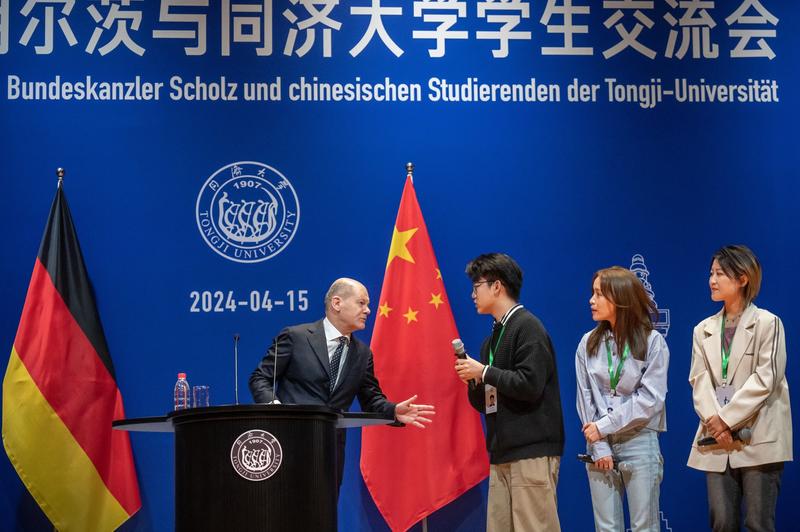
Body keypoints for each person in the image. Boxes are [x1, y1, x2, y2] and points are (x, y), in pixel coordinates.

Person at [249, 278, 434, 489]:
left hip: (330, 450)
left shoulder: (363, 354)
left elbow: (372, 400)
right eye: (361, 303)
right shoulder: (296, 337)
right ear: (337, 303)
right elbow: (260, 378)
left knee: (324, 514)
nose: (368, 310)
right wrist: (277, 412)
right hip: (288, 440)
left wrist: (394, 411)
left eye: (368, 304)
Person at [454, 253, 564, 532]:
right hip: (501, 452)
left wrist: (485, 372)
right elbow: (487, 402)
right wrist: (474, 380)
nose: (472, 295)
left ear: (497, 286)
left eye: (476, 287)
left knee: (534, 527)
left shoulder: (528, 326)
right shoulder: (490, 341)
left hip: (531, 451)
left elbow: (530, 385)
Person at [688, 245, 792, 532]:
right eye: (711, 273)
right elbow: (699, 381)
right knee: (721, 523)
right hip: (717, 440)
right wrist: (715, 422)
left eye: (720, 273)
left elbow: (766, 379)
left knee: (758, 523)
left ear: (743, 278)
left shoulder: (768, 323)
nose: (712, 280)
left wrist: (726, 418)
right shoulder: (703, 329)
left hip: (759, 436)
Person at [575, 266, 669, 532]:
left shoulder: (653, 342)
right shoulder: (587, 343)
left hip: (639, 440)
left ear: (620, 298)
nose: (591, 301)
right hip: (598, 443)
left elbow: (649, 401)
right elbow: (585, 398)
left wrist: (602, 427)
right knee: (606, 528)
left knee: (644, 527)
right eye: (592, 293)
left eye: (598, 294)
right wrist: (600, 444)